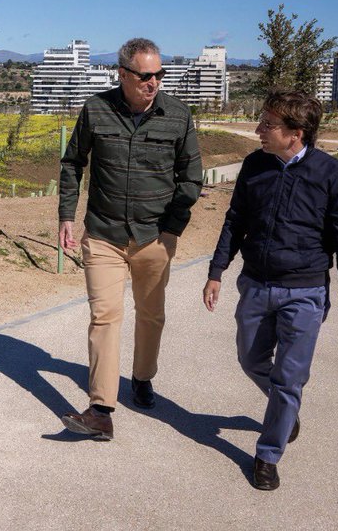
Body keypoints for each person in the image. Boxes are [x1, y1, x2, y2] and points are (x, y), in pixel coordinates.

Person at [203, 91, 338, 490]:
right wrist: (216, 270)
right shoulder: (255, 164)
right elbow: (234, 220)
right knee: (250, 359)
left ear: (296, 133)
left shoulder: (333, 175)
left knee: (290, 378)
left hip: (305, 292)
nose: (258, 130)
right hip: (256, 285)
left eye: (267, 125)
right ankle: (286, 409)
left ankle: (268, 454)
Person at [58, 37, 202, 440]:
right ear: (122, 74)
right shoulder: (96, 110)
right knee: (105, 317)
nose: (153, 82)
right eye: (145, 75)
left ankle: (142, 377)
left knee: (151, 314)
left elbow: (191, 178)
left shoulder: (178, 115)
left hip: (155, 236)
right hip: (103, 234)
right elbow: (73, 164)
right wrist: (66, 215)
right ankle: (101, 408)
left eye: (159, 74)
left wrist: (172, 228)